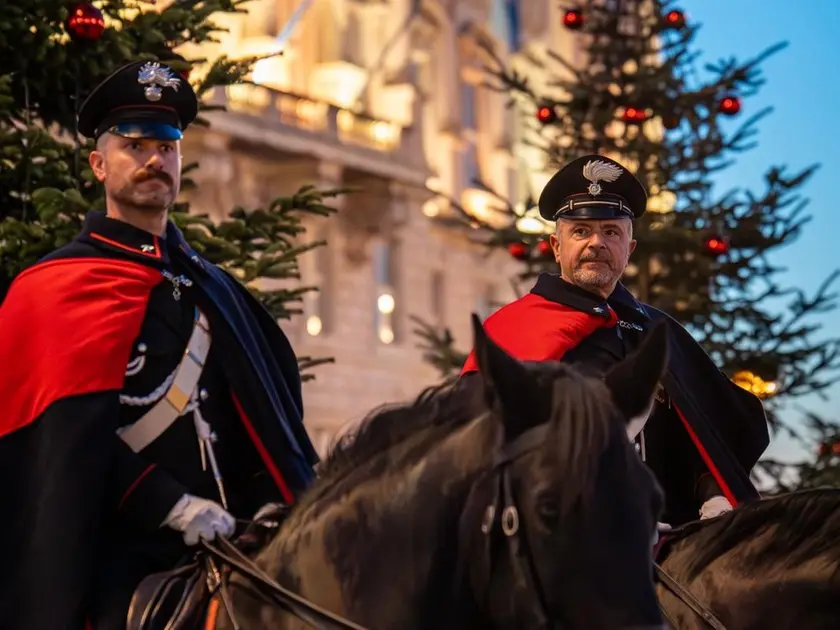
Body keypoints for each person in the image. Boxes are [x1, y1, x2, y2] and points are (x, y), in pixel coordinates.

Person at [0, 60, 319, 630]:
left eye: (167, 147)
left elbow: (264, 418)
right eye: (135, 146)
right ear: (99, 164)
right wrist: (167, 503)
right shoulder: (54, 287)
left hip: (235, 551)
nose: (154, 160)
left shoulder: (211, 284)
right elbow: (60, 444)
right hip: (117, 563)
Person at [460, 154, 770, 528]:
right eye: (580, 232)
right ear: (556, 246)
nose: (597, 243)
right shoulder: (511, 328)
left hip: (671, 541)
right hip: (562, 542)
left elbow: (725, 426)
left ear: (629, 248)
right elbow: (476, 441)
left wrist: (713, 494)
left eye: (611, 232)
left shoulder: (658, 330)